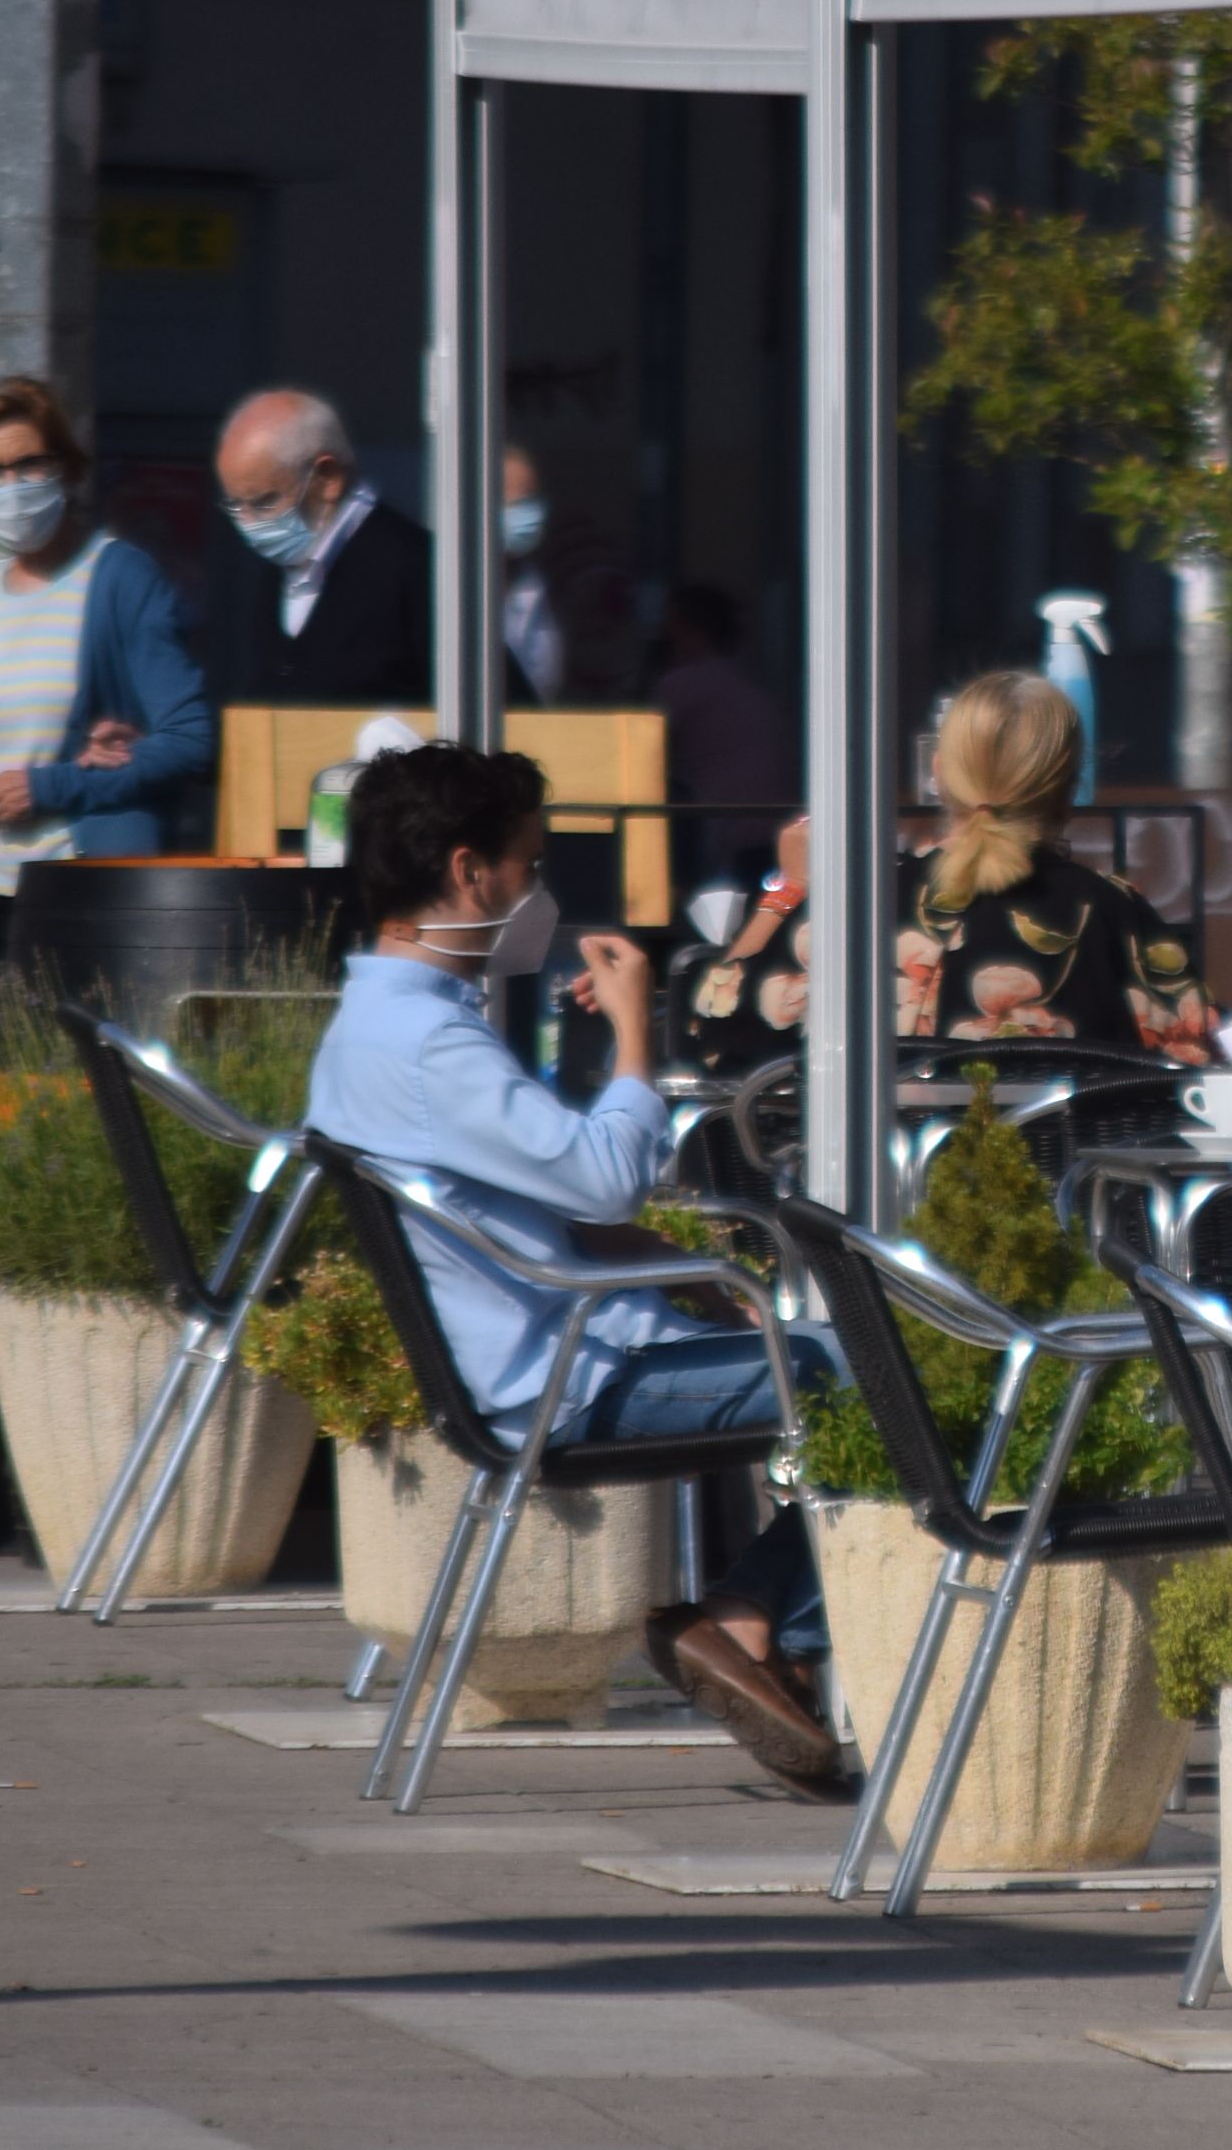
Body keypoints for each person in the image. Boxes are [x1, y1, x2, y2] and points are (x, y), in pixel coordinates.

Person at [305, 742, 845, 1788]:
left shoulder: (373, 1027)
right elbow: (601, 1181)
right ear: (471, 875)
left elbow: (532, 1206)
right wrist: (638, 1034)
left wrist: (662, 1261)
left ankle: (768, 1637)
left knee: (834, 1360)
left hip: (548, 1357)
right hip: (570, 1383)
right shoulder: (428, 1046)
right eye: (530, 866)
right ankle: (753, 1622)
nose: (537, 892)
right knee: (874, 1372)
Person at [688, 670, 1218, 1058]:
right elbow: (1192, 1066)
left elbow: (710, 1032)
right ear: (1067, 784)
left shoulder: (854, 903)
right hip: (1056, 1199)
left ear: (939, 774)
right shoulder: (1112, 912)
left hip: (866, 1198)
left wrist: (791, 889)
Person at [0, 377, 218, 990]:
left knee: (73, 1079)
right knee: (0, 1081)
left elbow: (191, 737)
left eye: (28, 464)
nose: (11, 486)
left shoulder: (118, 578)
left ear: (66, 470)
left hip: (79, 879)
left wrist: (52, 784)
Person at [206, 389, 435, 705]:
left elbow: (495, 709)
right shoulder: (278, 577)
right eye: (235, 507)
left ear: (328, 478)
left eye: (264, 503)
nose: (248, 524)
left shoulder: (416, 567)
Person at [656, 580, 798, 887]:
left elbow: (644, 753)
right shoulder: (748, 679)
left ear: (688, 629)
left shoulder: (683, 684)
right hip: (775, 829)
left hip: (726, 838)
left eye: (671, 628)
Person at [493, 443, 637, 703]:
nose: (529, 512)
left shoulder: (536, 586)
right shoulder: (455, 587)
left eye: (532, 499)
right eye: (517, 501)